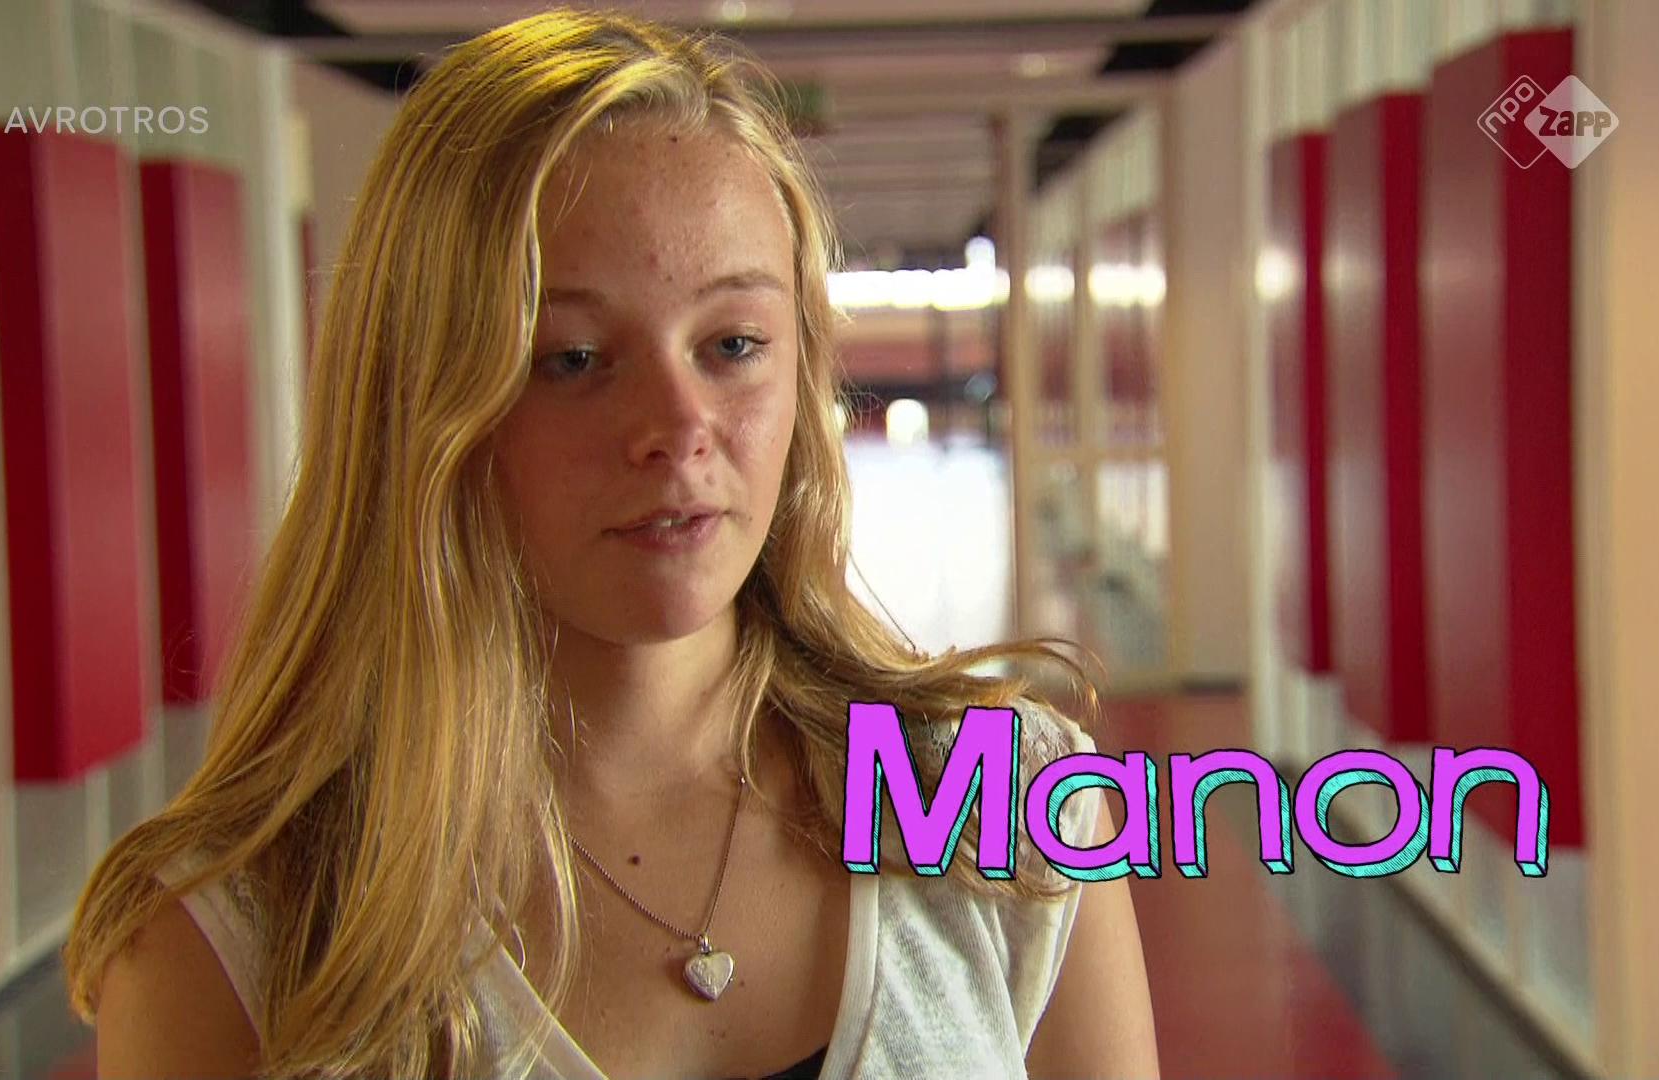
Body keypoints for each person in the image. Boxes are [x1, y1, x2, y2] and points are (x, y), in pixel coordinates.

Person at [64, 9, 1159, 1078]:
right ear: (421, 400)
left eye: (733, 344)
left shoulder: (1007, 800)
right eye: (574, 359)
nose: (678, 427)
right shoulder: (237, 938)